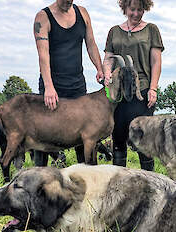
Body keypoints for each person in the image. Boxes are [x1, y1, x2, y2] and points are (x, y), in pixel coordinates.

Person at [33, 0, 104, 166]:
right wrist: (49, 87)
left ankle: (85, 177)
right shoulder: (42, 17)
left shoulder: (83, 13)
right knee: (44, 134)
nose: (68, 2)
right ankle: (39, 180)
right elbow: (43, 55)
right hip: (53, 85)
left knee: (83, 134)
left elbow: (91, 44)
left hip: (77, 85)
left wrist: (99, 68)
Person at [103, 0, 163, 171]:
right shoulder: (114, 31)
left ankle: (148, 183)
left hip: (141, 90)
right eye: (132, 9)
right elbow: (108, 58)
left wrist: (153, 88)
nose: (136, 14)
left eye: (140, 10)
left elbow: (156, 62)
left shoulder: (151, 29)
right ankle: (119, 183)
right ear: (125, 8)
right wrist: (107, 73)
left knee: (143, 140)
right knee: (119, 138)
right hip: (118, 93)